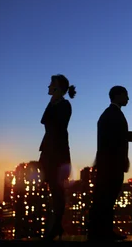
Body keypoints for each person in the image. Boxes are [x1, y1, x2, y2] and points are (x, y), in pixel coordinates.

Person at [88, 86, 132, 242]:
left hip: (109, 164)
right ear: (117, 96)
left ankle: (101, 231)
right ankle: (103, 232)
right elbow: (119, 138)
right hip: (111, 165)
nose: (128, 99)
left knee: (106, 199)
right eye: (126, 96)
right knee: (107, 199)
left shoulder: (109, 114)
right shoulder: (113, 115)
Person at [39, 74, 76, 241]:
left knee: (58, 191)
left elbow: (56, 126)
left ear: (57, 88)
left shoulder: (65, 105)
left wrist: (54, 101)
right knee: (54, 191)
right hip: (49, 153)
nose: (47, 86)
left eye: (51, 84)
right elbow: (44, 120)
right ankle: (55, 226)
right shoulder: (55, 104)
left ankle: (56, 226)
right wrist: (52, 100)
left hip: (58, 155)